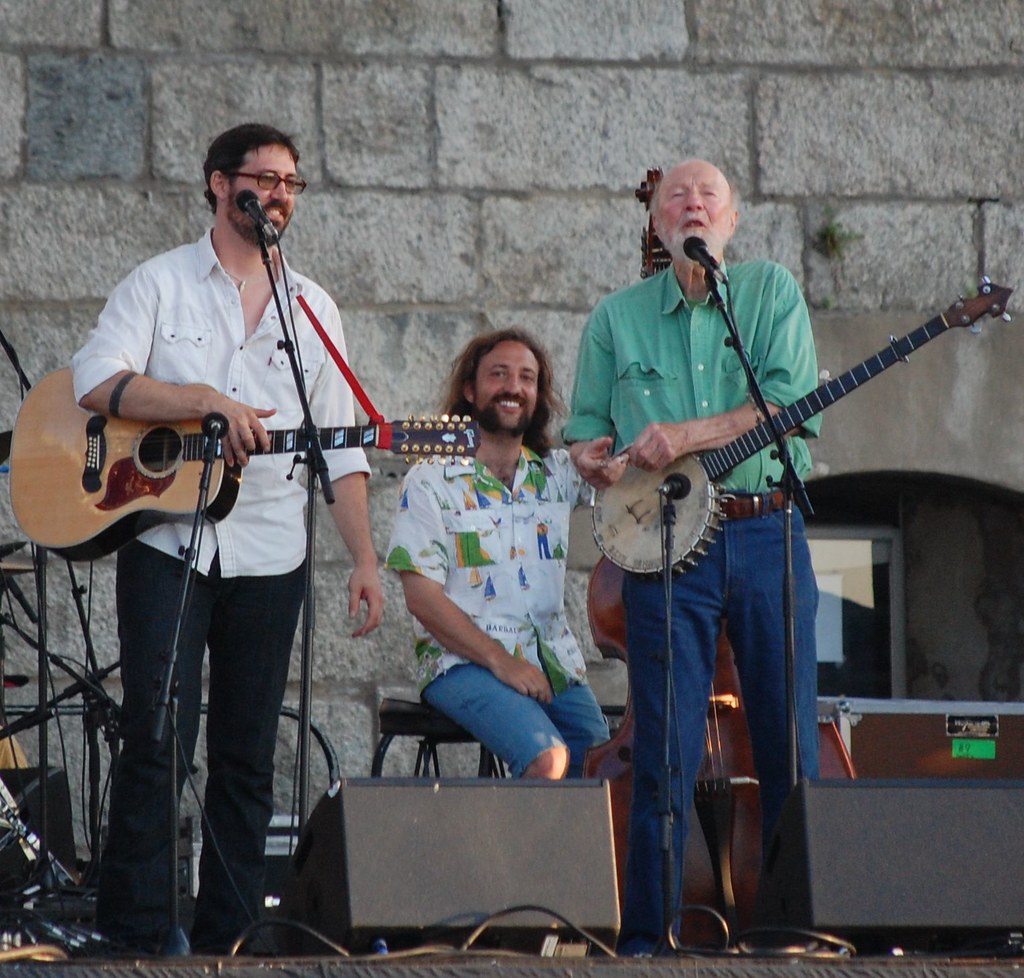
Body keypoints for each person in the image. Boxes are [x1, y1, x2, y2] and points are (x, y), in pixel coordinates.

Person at [70, 122, 383, 953]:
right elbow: (96, 379)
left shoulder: (313, 308)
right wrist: (201, 400)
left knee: (246, 758)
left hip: (272, 552)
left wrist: (364, 556)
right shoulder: (160, 284)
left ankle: (231, 940)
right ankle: (134, 939)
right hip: (167, 544)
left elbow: (341, 450)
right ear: (217, 184)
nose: (278, 192)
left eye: (290, 182)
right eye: (262, 178)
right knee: (154, 739)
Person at [564, 159, 821, 954]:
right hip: (666, 545)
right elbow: (582, 434)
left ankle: (790, 931)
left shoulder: (772, 291)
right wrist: (594, 460)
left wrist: (683, 436)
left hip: (763, 529)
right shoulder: (615, 318)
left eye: (708, 195)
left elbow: (783, 402)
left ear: (731, 221)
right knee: (666, 749)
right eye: (677, 196)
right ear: (656, 223)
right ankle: (649, 939)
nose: (691, 205)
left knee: (788, 744)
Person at [385, 329, 609, 780]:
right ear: (470, 390)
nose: (513, 387)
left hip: (551, 663)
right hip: (462, 664)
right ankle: (512, 855)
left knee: (608, 767)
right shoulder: (430, 479)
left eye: (527, 377)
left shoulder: (556, 472)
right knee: (548, 760)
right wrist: (500, 660)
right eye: (499, 375)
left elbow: (618, 472)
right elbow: (421, 598)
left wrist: (604, 456)